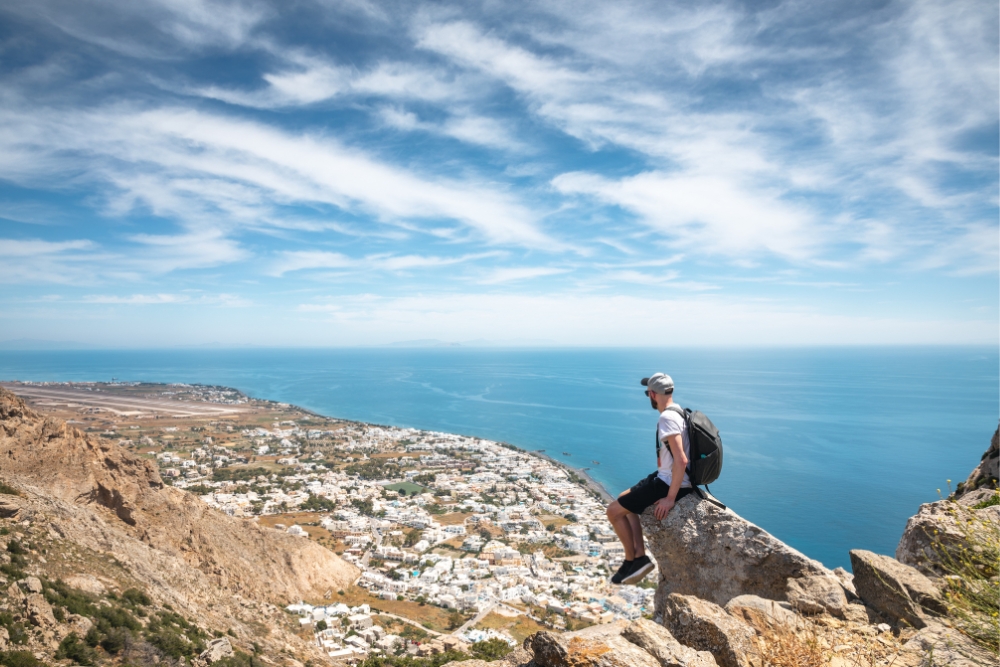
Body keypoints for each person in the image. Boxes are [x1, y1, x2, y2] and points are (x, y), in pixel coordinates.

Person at [604, 372, 693, 585]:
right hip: (665, 477)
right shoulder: (679, 411)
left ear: (653, 394)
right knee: (625, 497)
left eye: (647, 393)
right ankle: (638, 557)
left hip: (669, 483)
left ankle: (633, 560)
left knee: (613, 512)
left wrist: (670, 498)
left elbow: (681, 460)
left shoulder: (667, 418)